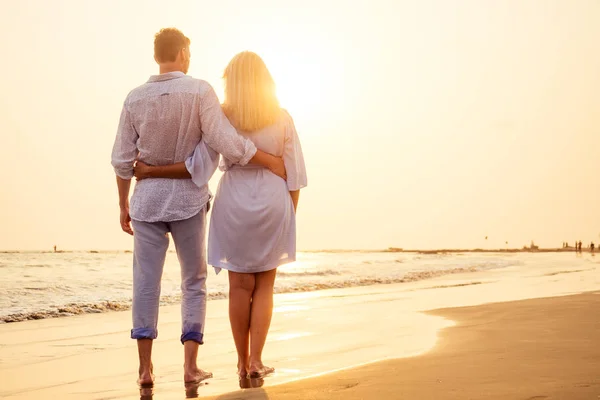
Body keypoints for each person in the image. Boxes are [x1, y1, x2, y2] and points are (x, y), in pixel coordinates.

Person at [111, 29, 286, 388]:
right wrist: (264, 159)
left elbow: (121, 159)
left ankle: (145, 370)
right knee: (193, 281)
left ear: (157, 54)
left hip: (145, 202)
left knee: (145, 283)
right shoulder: (199, 91)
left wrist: (122, 204)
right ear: (184, 52)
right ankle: (191, 368)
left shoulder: (134, 98)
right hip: (188, 200)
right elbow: (225, 141)